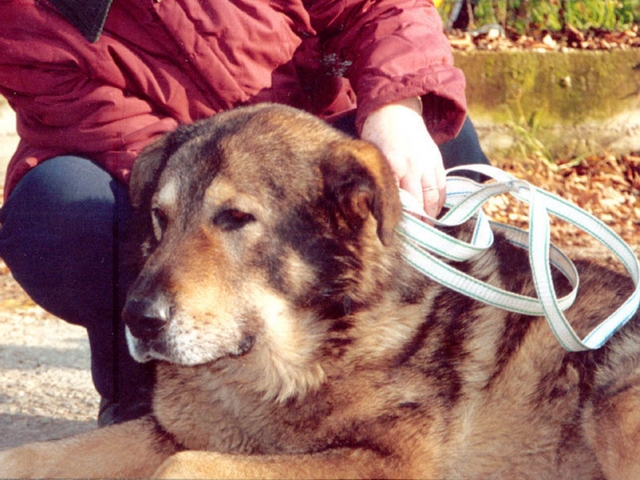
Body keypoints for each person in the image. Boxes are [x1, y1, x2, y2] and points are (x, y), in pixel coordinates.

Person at [0, 0, 490, 426]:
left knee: (445, 151)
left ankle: (433, 363)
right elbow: (139, 148)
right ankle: (145, 393)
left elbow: (376, 8)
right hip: (173, 172)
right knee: (60, 213)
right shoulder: (27, 15)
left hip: (307, 150)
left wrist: (398, 108)